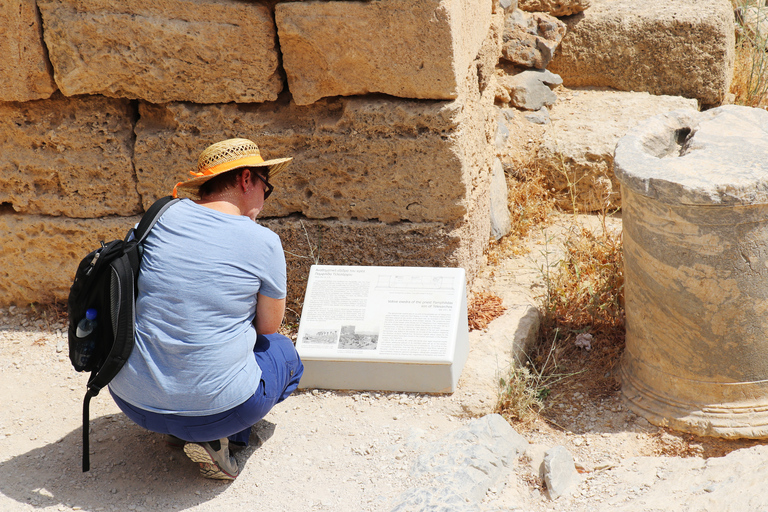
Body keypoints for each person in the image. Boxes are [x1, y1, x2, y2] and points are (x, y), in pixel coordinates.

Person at [108, 138, 304, 480]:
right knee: (285, 355)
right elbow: (269, 328)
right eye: (266, 188)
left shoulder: (158, 218)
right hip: (217, 411)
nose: (264, 199)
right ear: (247, 180)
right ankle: (219, 436)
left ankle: (182, 430)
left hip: (132, 401)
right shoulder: (262, 241)